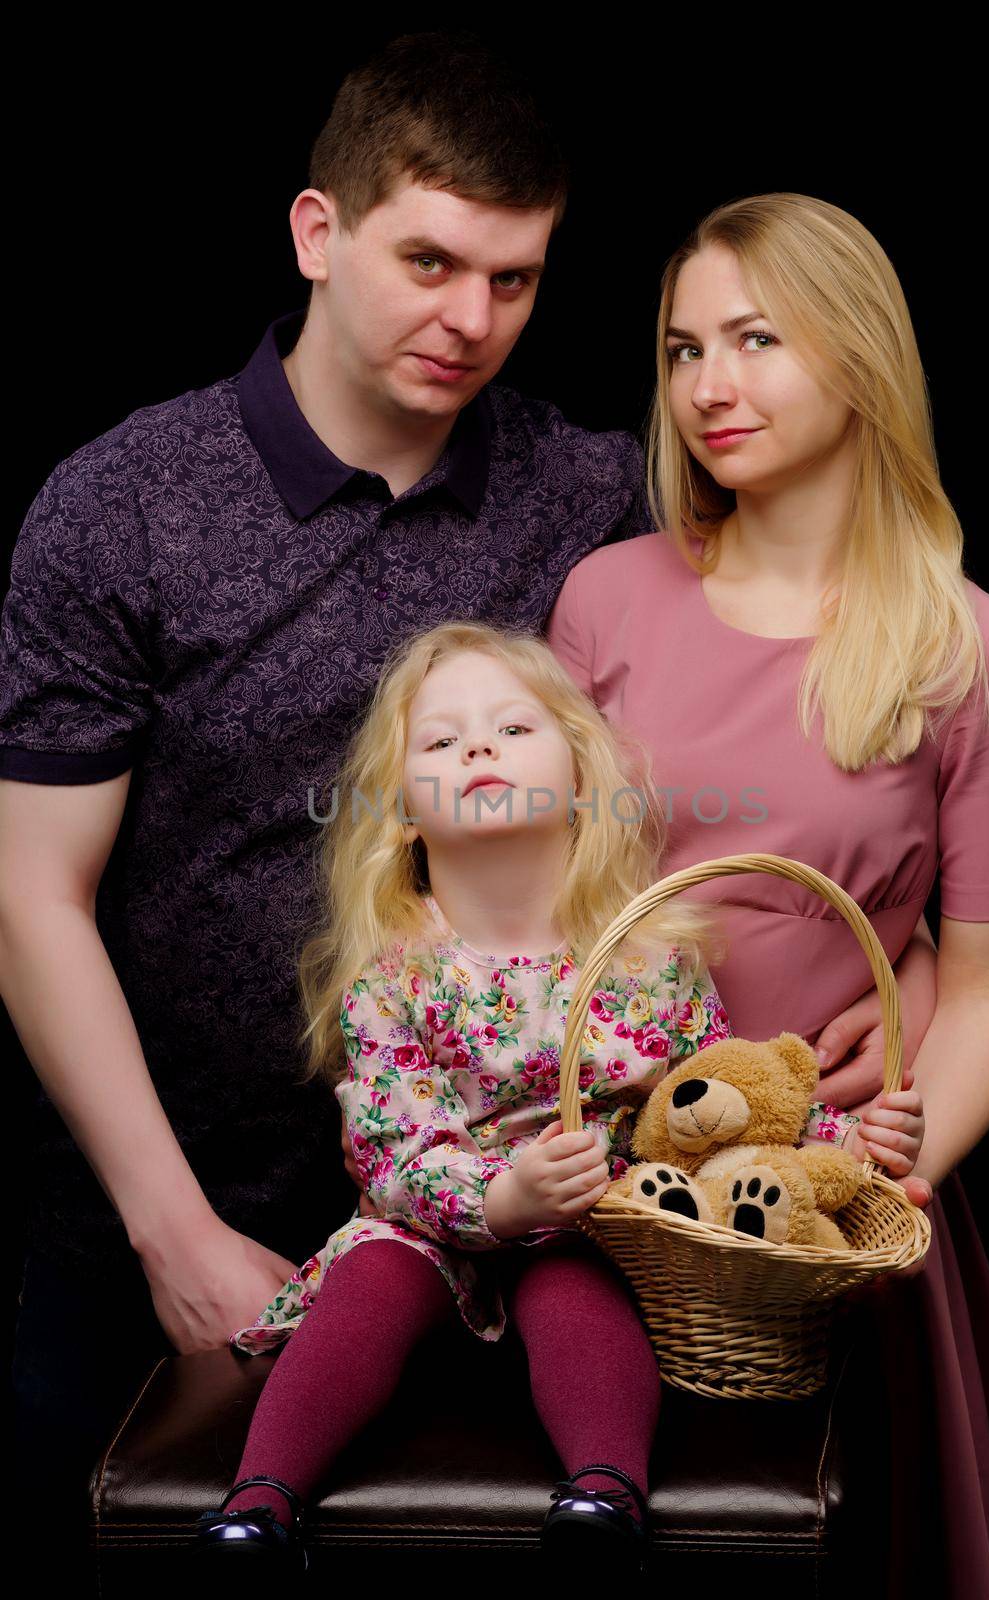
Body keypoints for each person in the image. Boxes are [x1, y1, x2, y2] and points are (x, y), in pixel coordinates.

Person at [0, 33, 652, 1581]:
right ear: (316, 232)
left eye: (514, 279)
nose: (469, 318)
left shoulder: (588, 493)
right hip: (179, 1204)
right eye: (428, 260)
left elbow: (784, 636)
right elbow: (31, 896)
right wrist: (172, 1232)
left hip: (520, 1205)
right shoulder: (124, 505)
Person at [544, 191, 989, 1597]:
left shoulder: (979, 653)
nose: (708, 385)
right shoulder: (604, 599)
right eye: (679, 348)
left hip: (826, 1195)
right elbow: (545, 905)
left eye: (756, 339)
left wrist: (862, 1203)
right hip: (610, 1186)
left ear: (857, 353)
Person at [191, 618, 926, 1579]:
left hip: (587, 1218)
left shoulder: (651, 963)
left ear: (579, 781)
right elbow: (390, 1145)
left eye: (512, 728)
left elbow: (719, 1104)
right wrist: (499, 1200)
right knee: (370, 1279)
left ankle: (603, 1494)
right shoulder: (397, 977)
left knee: (575, 1283)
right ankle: (259, 1506)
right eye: (442, 741)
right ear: (402, 810)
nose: (480, 748)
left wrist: (853, 1140)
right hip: (433, 1222)